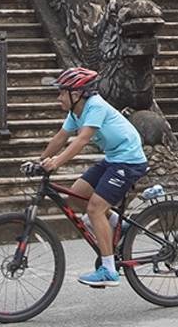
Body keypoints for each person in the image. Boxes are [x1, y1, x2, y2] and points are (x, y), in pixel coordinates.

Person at [35, 67, 149, 289]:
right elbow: (60, 138)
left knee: (95, 209)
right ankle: (119, 225)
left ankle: (108, 270)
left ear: (76, 94)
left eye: (62, 92)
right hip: (114, 158)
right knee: (77, 195)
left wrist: (56, 162)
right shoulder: (75, 112)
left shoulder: (94, 106)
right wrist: (40, 161)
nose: (59, 97)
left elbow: (82, 140)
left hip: (129, 160)